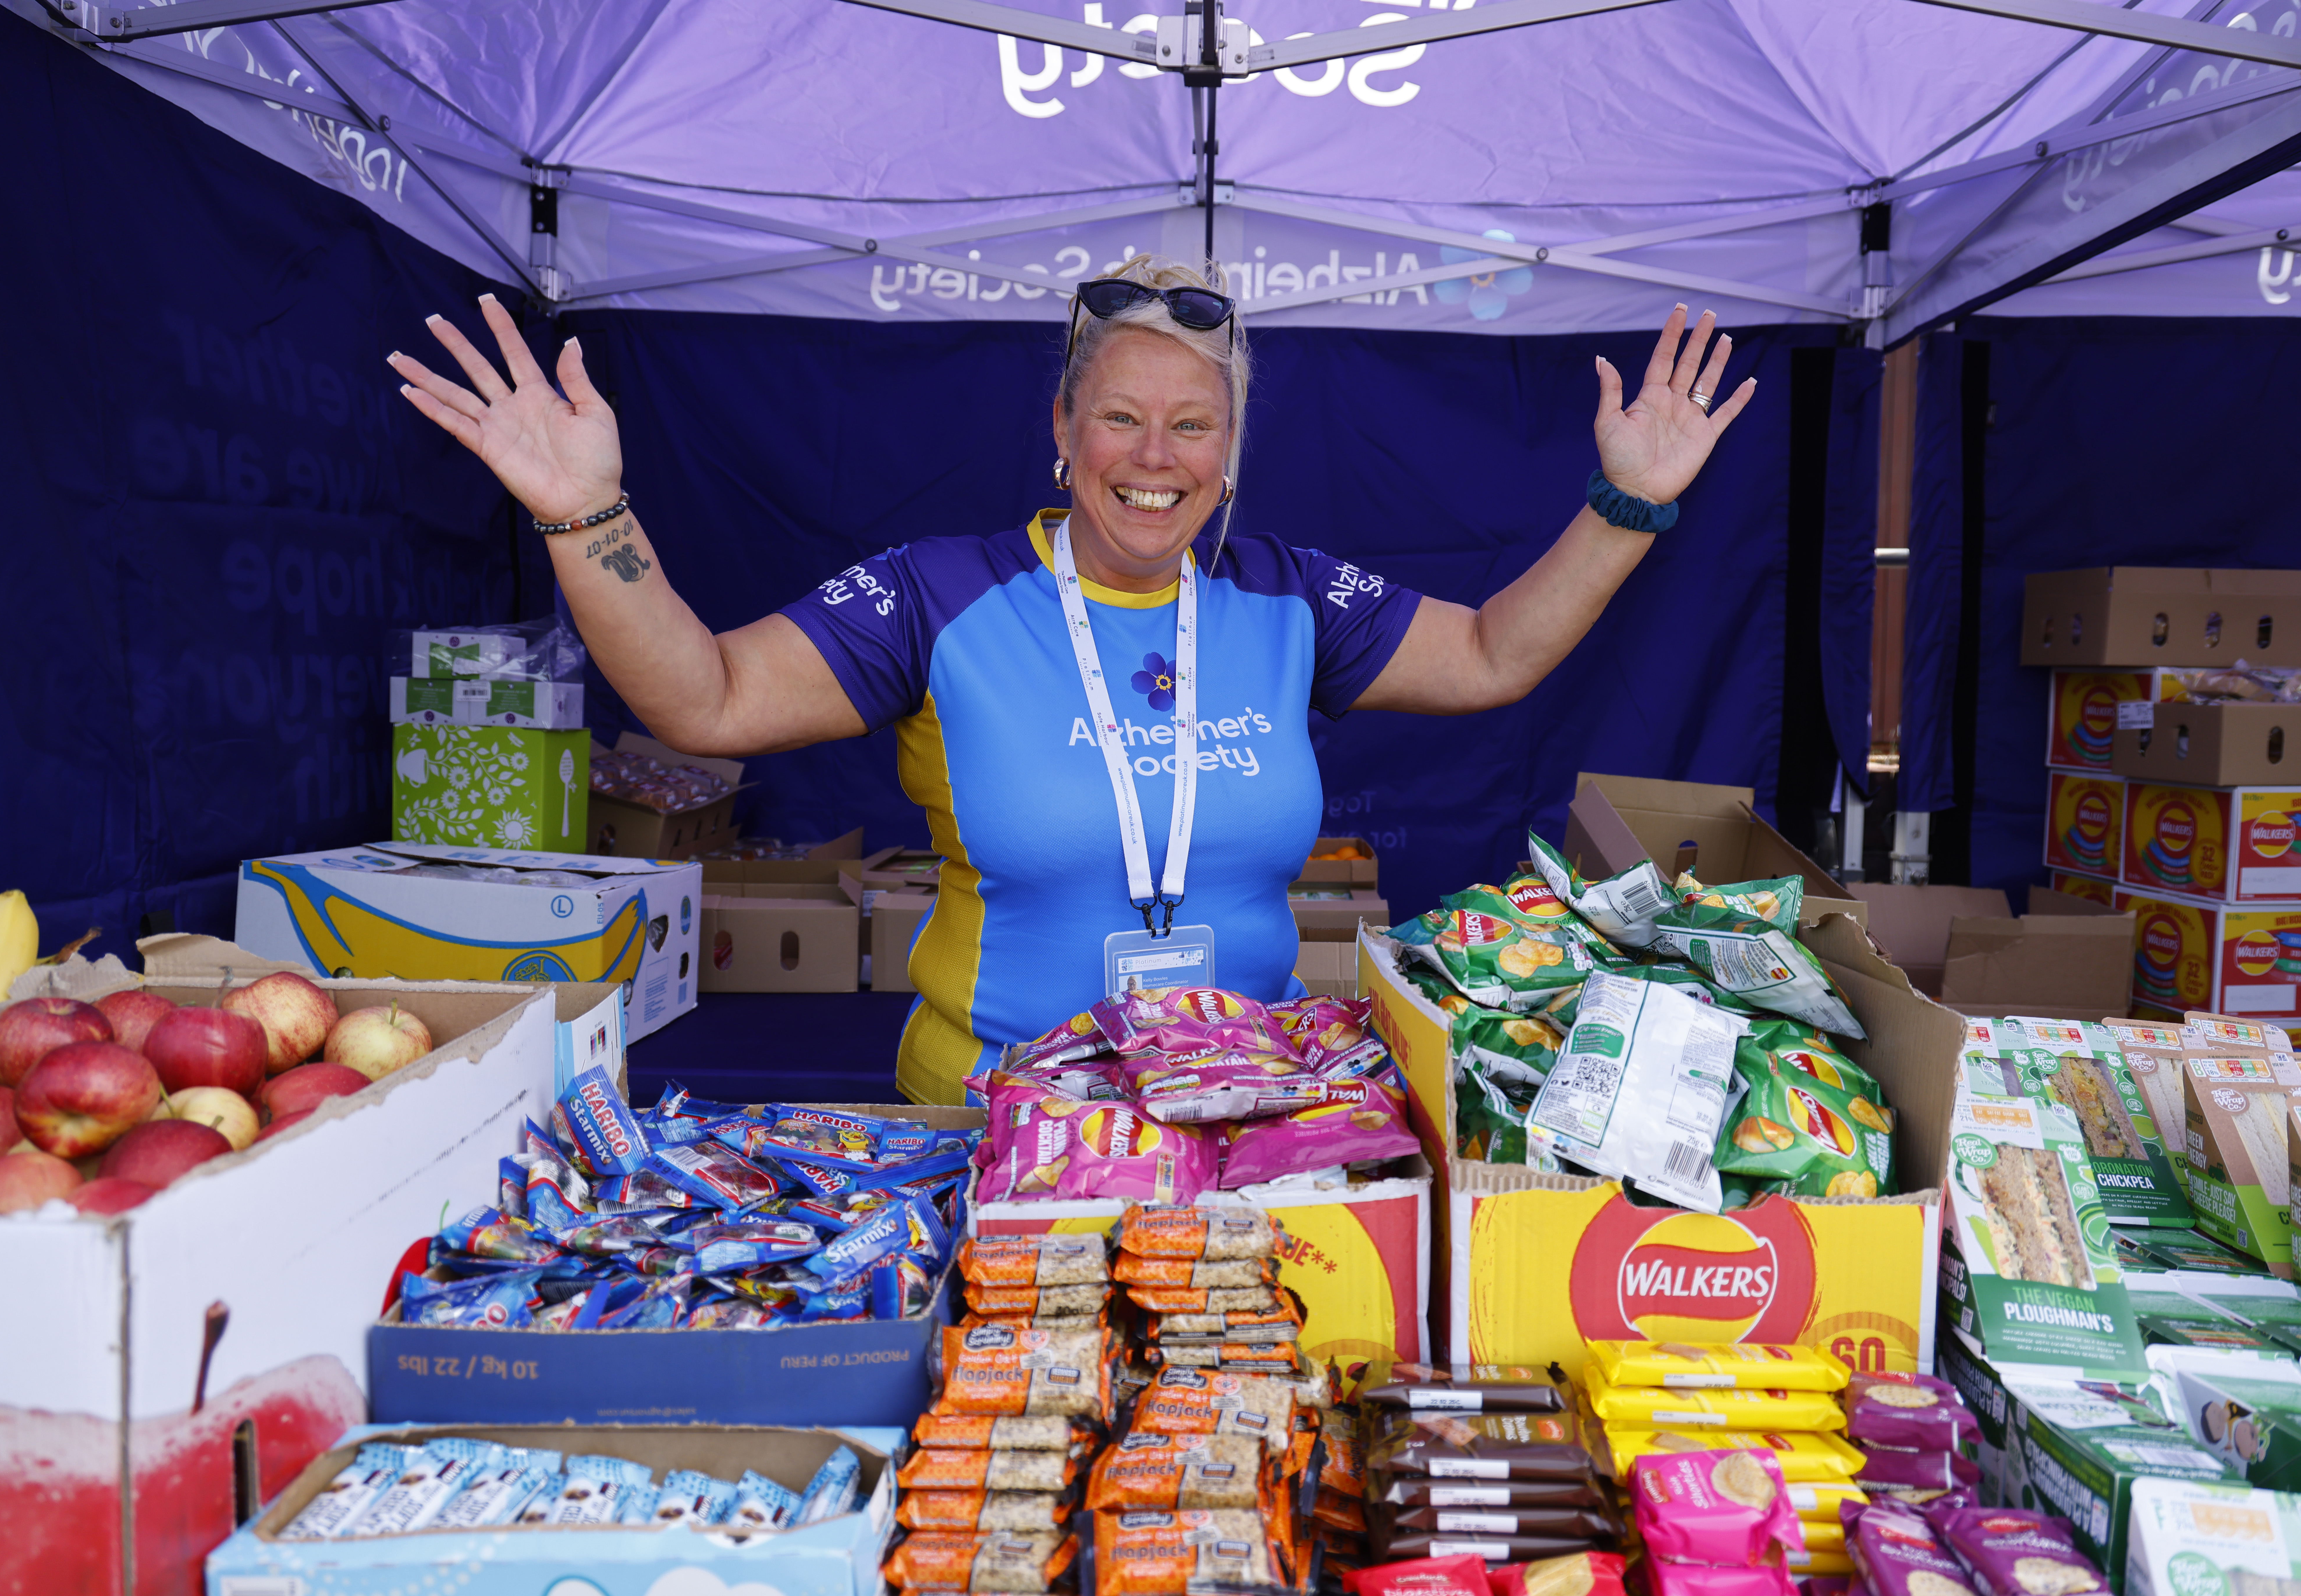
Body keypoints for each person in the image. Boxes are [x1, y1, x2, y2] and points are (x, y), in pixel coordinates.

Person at [388, 255, 1755, 1104]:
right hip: (994, 1122)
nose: (1152, 455)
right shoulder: (944, 593)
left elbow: (1493, 654)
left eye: (1191, 423)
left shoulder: (1279, 595)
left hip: (1239, 1121)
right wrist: (586, 519)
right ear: (1060, 429)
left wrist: (1625, 505)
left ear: (1230, 446)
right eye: (1118, 416)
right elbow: (705, 701)